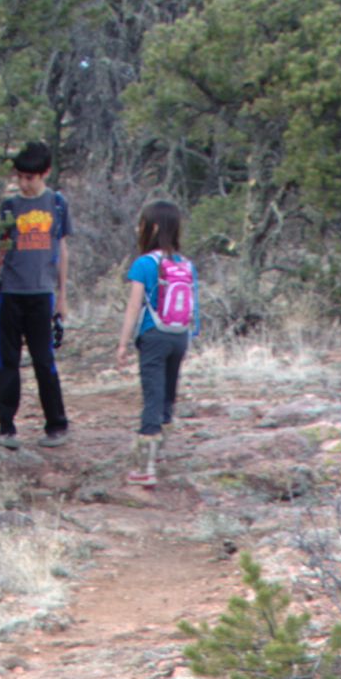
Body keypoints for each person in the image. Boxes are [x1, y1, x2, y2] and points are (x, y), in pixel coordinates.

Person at [0, 141, 72, 450]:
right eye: (20, 177)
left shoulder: (57, 204)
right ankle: (6, 427)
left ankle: (57, 424)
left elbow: (62, 249)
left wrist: (62, 296)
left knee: (44, 360)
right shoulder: (9, 206)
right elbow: (1, 246)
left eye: (30, 178)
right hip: (11, 293)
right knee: (7, 361)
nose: (24, 184)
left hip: (42, 293)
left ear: (45, 173)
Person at [115, 198, 200, 487]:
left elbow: (133, 307)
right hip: (179, 335)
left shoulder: (144, 264)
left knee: (151, 394)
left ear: (150, 228)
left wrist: (123, 344)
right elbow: (194, 305)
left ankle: (144, 467)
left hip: (154, 336)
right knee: (167, 392)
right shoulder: (186, 264)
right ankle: (160, 451)